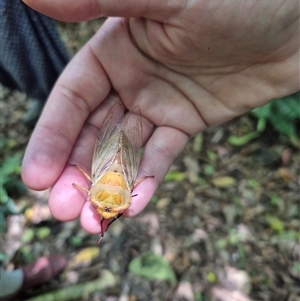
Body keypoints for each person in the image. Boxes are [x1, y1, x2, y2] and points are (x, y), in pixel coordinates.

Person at [21, 0, 299, 235]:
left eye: (103, 206)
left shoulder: (102, 191)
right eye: (112, 207)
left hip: (106, 164)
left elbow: (84, 179)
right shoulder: (112, 193)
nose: (106, 207)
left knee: (106, 143)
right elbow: (92, 180)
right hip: (114, 166)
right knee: (117, 147)